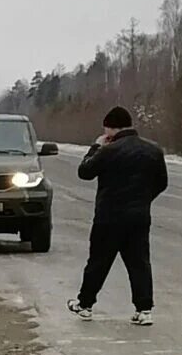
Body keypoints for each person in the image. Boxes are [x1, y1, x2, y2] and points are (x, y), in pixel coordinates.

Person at [68, 105, 168, 326]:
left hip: (109, 217)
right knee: (139, 263)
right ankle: (144, 310)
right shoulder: (153, 150)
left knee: (98, 261)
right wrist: (143, 199)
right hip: (139, 217)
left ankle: (85, 305)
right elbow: (162, 183)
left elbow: (84, 172)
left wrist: (96, 146)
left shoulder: (108, 150)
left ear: (109, 129)